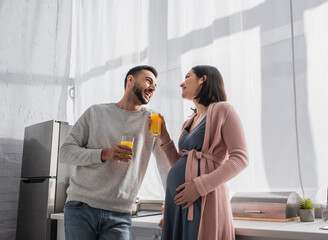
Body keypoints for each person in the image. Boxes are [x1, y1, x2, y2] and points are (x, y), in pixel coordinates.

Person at [60, 65, 170, 240]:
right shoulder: (96, 112)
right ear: (130, 80)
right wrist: (103, 154)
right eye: (148, 81)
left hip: (120, 214)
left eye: (155, 86)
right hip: (81, 206)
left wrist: (172, 209)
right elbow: (65, 152)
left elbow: (166, 168)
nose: (152, 88)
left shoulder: (153, 120)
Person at [156, 65, 249, 240]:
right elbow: (180, 164)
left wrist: (199, 187)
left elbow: (240, 158)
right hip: (179, 204)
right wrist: (165, 137)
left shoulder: (223, 110)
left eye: (187, 76)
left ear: (202, 79)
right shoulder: (188, 123)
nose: (181, 84)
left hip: (203, 197)